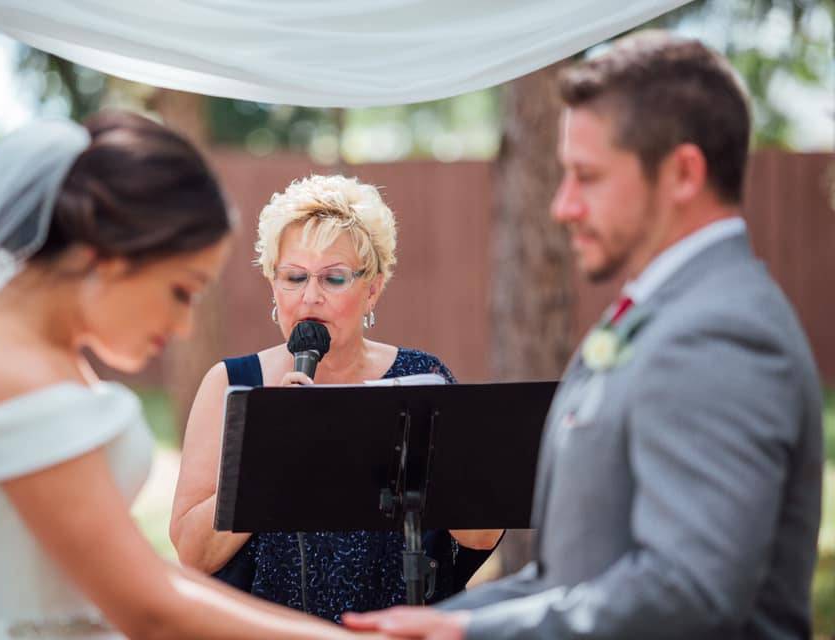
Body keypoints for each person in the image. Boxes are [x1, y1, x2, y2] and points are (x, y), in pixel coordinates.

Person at [344, 31, 823, 640]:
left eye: (587, 176)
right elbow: (571, 579)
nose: (563, 206)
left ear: (682, 173)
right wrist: (434, 621)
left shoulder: (720, 332)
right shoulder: (658, 314)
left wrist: (471, 636)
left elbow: (691, 593)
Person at [0, 111, 377, 639]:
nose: (184, 325)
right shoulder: (12, 375)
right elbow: (150, 609)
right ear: (115, 260)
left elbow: (140, 574)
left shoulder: (30, 352)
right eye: (181, 290)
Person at [170, 174, 503, 622]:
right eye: (294, 277)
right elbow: (193, 554)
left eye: (334, 279)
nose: (310, 296)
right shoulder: (230, 383)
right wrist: (271, 450)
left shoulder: (422, 378)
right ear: (273, 285)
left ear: (373, 289)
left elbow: (481, 534)